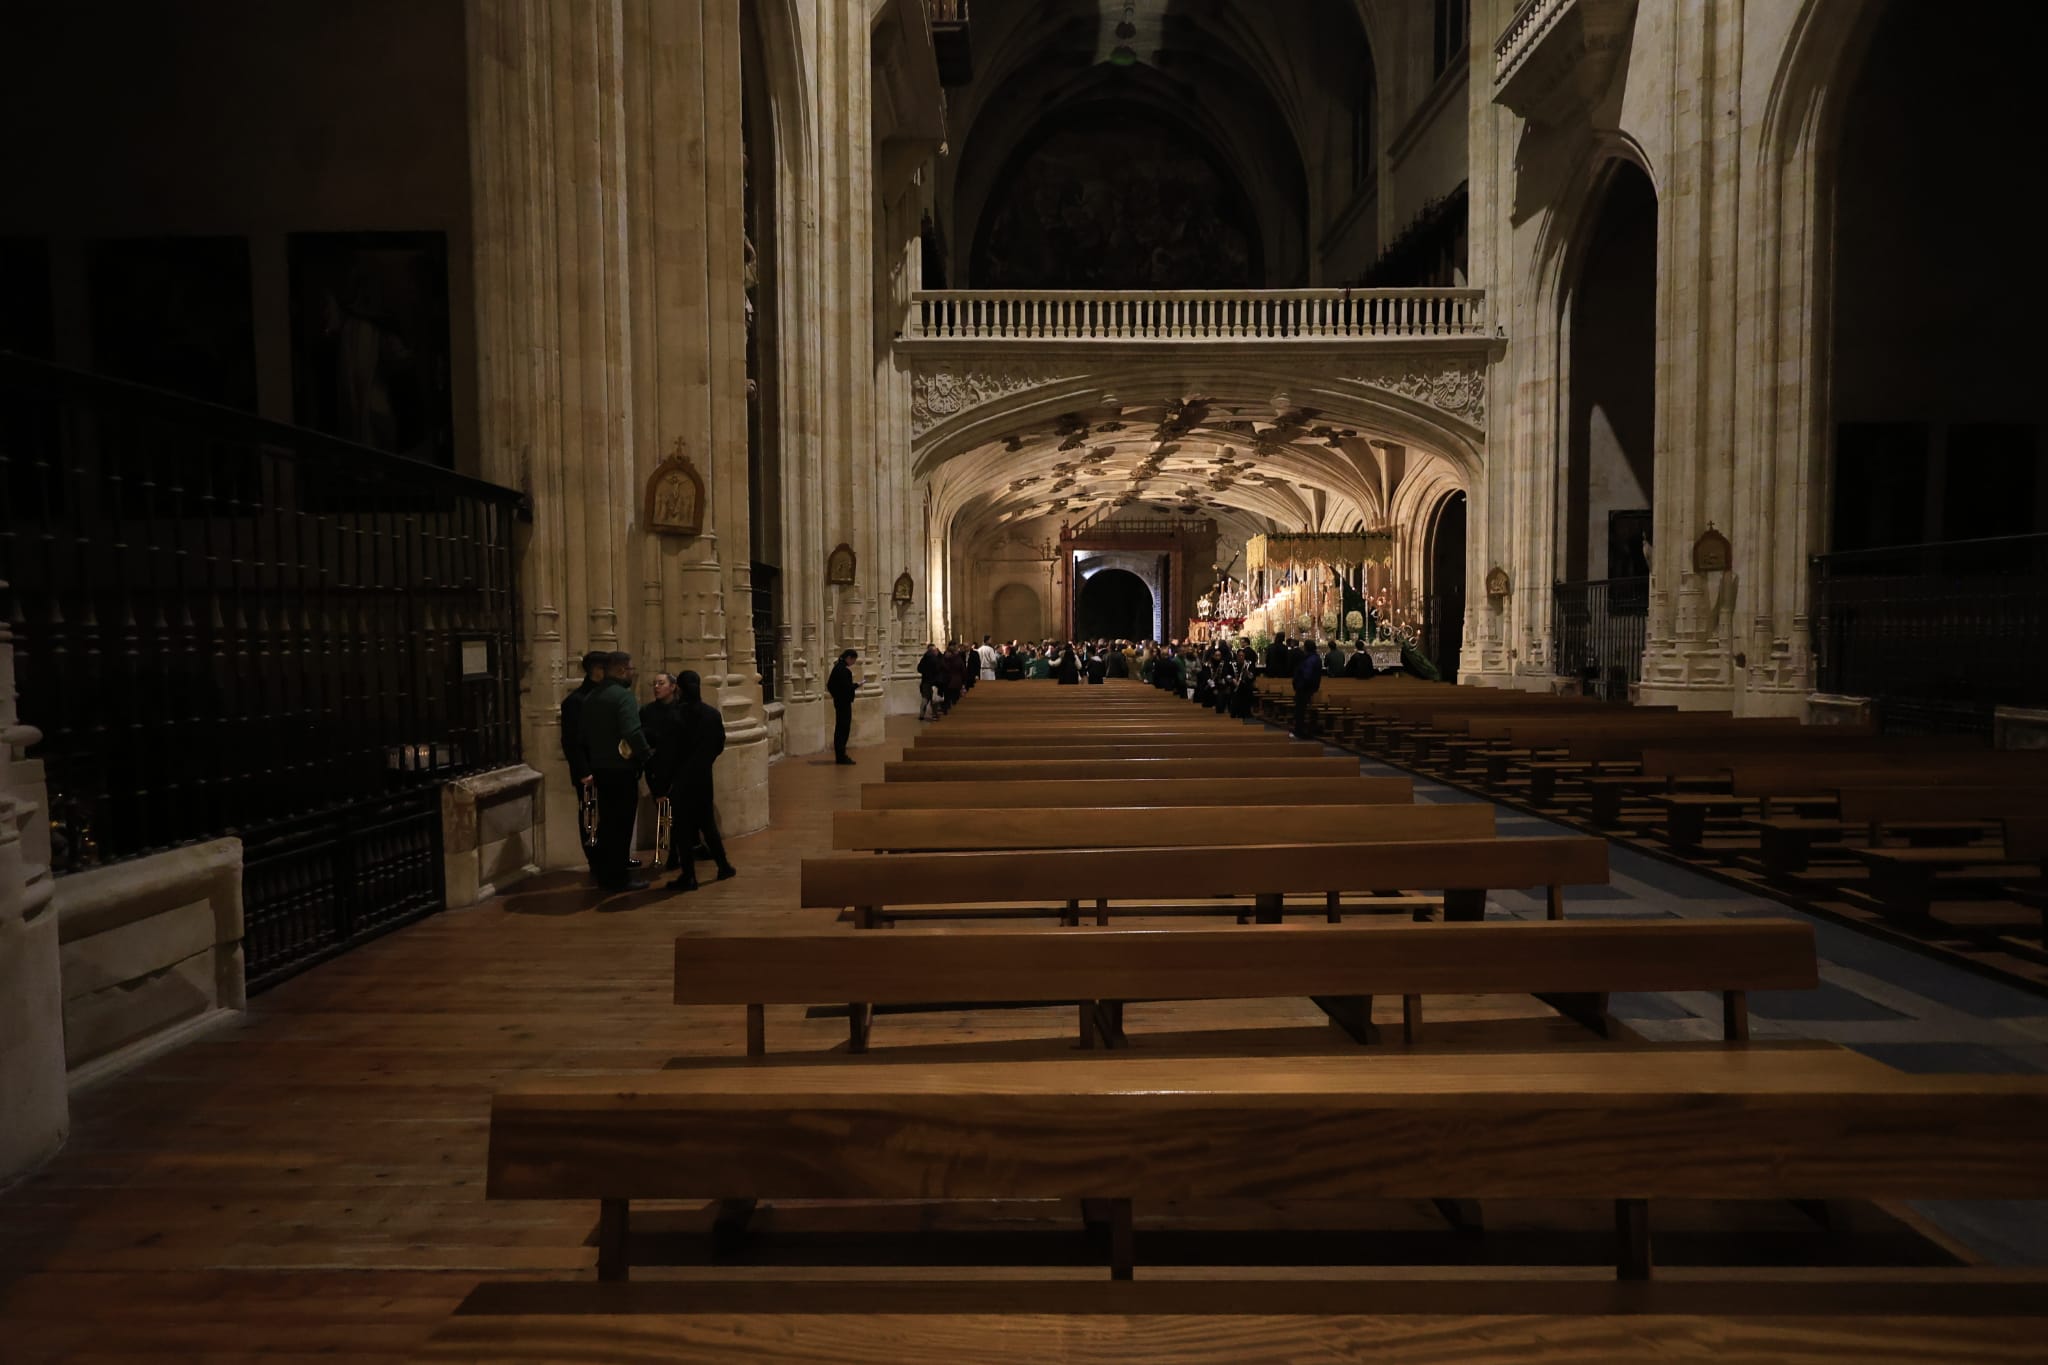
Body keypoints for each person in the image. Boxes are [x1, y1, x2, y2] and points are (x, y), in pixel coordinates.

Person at [582, 651, 651, 892]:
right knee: (621, 825)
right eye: (631, 669)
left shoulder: (591, 697)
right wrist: (646, 754)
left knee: (607, 823)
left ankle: (604, 873)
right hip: (621, 769)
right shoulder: (623, 697)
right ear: (621, 670)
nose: (633, 674)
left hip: (600, 767)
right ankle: (618, 878)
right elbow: (632, 731)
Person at [663, 669, 736, 891]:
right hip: (703, 777)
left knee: (683, 828)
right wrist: (704, 761)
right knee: (708, 823)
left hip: (682, 779)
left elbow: (669, 750)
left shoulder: (675, 715)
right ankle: (723, 866)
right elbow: (719, 745)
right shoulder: (712, 714)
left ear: (680, 689)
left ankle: (689, 876)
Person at [559, 649, 608, 878]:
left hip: (607, 767)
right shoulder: (575, 701)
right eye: (602, 668)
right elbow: (571, 741)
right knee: (590, 817)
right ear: (594, 671)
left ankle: (609, 858)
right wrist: (583, 771)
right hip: (589, 771)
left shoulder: (604, 696)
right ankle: (595, 862)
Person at [640, 671, 685, 872]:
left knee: (677, 814)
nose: (656, 687)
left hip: (676, 768)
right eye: (654, 684)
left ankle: (676, 852)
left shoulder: (681, 710)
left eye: (661, 683)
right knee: (664, 812)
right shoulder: (647, 711)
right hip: (656, 768)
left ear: (673, 686)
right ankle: (668, 849)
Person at [828, 648, 858, 764]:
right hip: (844, 703)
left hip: (840, 702)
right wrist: (854, 686)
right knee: (843, 729)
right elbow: (846, 688)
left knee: (841, 728)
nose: (853, 663)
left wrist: (836, 696)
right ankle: (841, 756)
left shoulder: (837, 668)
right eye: (853, 660)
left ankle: (840, 755)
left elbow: (831, 685)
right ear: (849, 658)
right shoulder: (843, 671)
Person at [1291, 639, 1324, 739]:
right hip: (1311, 688)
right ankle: (1306, 731)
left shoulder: (1309, 659)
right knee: (1303, 711)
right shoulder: (1316, 658)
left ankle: (1300, 732)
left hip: (1305, 689)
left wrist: (1298, 685)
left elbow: (1306, 675)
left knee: (1300, 711)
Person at [916, 643, 942, 719]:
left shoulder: (924, 658)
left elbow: (919, 669)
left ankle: (921, 714)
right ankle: (934, 715)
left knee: (925, 698)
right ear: (933, 650)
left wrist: (925, 673)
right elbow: (938, 670)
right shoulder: (935, 659)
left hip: (925, 681)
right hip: (934, 682)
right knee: (934, 699)